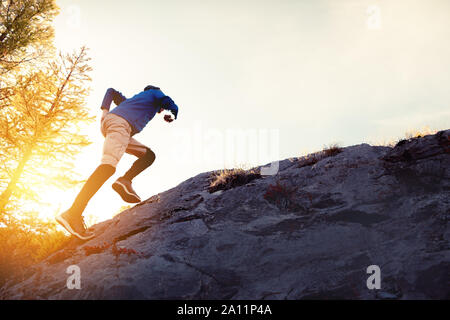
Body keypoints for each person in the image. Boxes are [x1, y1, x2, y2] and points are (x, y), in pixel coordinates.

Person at [56, 85, 178, 240]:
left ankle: (124, 181)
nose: (159, 111)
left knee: (148, 156)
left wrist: (105, 112)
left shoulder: (130, 102)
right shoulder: (154, 93)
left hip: (120, 128)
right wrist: (173, 112)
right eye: (160, 109)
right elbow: (166, 100)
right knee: (107, 167)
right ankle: (73, 213)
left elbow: (111, 91)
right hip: (120, 125)